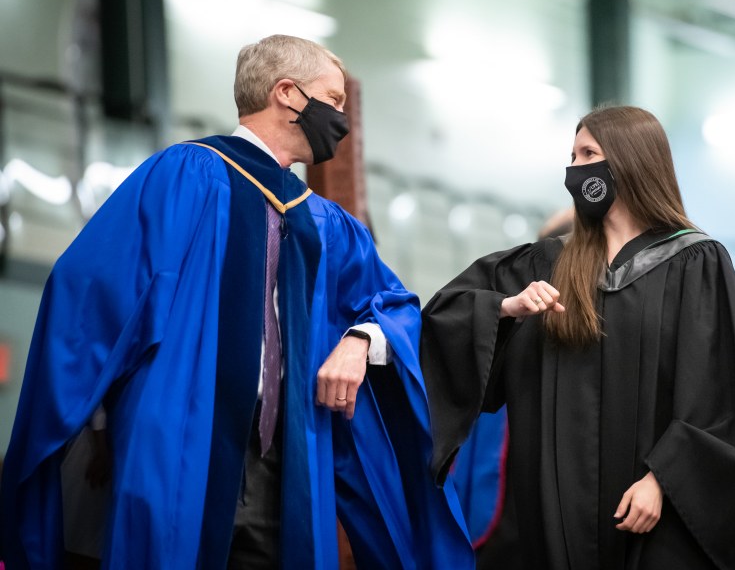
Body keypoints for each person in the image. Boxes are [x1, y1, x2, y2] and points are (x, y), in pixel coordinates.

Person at [0, 34, 473, 570]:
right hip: (180, 445)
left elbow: (393, 303)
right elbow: (90, 295)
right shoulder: (182, 176)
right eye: (334, 100)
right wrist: (105, 426)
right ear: (289, 95)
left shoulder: (327, 224)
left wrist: (360, 341)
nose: (342, 119)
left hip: (292, 463)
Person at [420, 105, 735, 569]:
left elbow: (720, 396)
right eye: (572, 154)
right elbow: (442, 319)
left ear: (631, 161)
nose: (575, 167)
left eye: (588, 153)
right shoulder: (544, 263)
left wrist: (662, 480)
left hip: (657, 508)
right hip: (556, 511)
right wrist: (506, 309)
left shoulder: (696, 263)